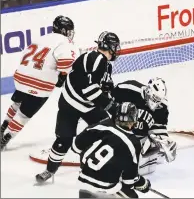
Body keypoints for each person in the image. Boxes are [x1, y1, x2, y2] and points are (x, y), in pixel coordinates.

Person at [35, 31, 121, 183]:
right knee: (65, 140)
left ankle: (106, 167)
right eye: (116, 47)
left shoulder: (104, 64)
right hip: (70, 103)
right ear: (111, 47)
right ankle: (50, 171)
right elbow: (90, 90)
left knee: (105, 132)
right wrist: (112, 107)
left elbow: (101, 87)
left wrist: (109, 94)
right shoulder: (95, 59)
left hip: (86, 105)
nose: (117, 50)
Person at [1, 15, 76, 150]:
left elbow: (24, 57)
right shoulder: (65, 42)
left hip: (20, 77)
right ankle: (6, 136)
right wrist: (62, 76)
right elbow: (65, 64)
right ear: (64, 31)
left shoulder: (41, 38)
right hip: (40, 84)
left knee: (17, 104)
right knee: (24, 115)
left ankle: (3, 126)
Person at [72, 102, 151, 198]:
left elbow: (76, 146)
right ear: (134, 120)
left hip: (83, 179)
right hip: (106, 186)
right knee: (132, 196)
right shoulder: (133, 142)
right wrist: (143, 184)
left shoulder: (102, 126)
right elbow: (129, 180)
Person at [111, 77, 177, 175]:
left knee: (155, 153)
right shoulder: (128, 89)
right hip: (120, 131)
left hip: (139, 138)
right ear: (148, 91)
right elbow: (108, 102)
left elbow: (159, 128)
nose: (156, 103)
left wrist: (165, 142)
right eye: (155, 99)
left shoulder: (162, 106)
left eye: (159, 100)